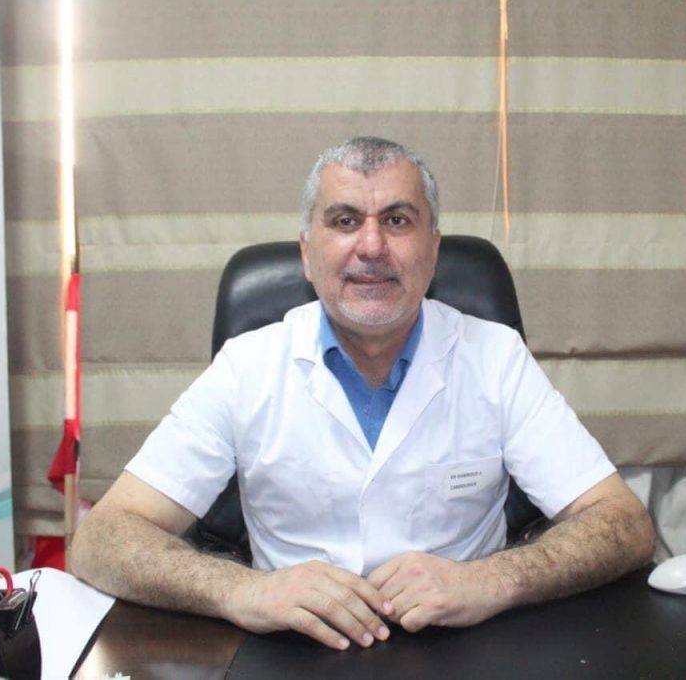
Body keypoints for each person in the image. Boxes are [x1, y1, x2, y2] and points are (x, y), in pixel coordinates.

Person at [71, 136, 655, 651]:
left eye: (397, 220)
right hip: (291, 653)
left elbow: (623, 525)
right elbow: (101, 540)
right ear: (307, 253)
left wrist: (491, 580)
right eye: (345, 220)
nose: (372, 246)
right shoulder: (247, 367)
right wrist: (244, 591)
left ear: (433, 250)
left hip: (467, 648)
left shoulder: (495, 357)